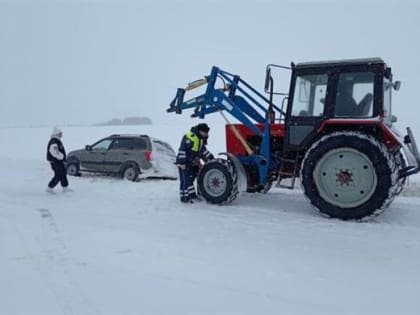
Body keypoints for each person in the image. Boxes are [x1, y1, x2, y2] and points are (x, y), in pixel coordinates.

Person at [176, 123, 214, 203]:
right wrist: (182, 163)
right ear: (200, 131)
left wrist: (211, 158)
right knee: (185, 180)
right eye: (205, 132)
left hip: (191, 162)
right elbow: (182, 150)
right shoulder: (190, 137)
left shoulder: (199, 138)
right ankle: (184, 198)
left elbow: (203, 150)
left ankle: (192, 196)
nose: (206, 134)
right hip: (184, 162)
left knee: (190, 179)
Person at [46, 127, 70, 193]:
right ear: (57, 134)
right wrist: (61, 156)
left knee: (63, 174)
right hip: (55, 162)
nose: (61, 135)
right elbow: (53, 151)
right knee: (58, 175)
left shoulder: (57, 140)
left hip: (59, 161)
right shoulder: (54, 141)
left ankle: (65, 188)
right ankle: (49, 188)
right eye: (60, 133)